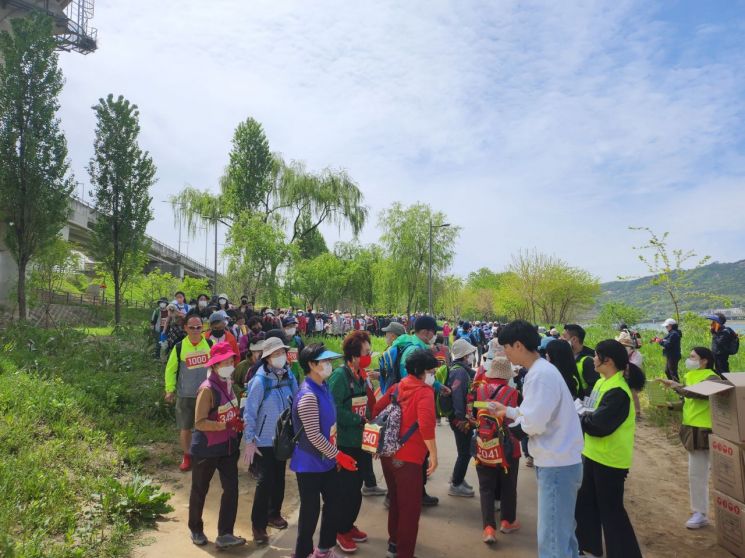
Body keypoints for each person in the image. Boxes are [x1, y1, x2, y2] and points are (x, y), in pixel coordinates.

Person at [489, 320, 584, 558]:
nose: (505, 353)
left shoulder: (540, 376)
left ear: (518, 345)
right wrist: (507, 411)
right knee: (563, 534)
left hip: (556, 465)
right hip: (561, 462)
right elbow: (533, 413)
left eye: (506, 347)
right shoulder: (541, 371)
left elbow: (533, 424)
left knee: (552, 539)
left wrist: (512, 427)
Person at [575, 339, 643, 558]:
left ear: (608, 360)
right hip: (593, 454)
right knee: (587, 504)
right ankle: (589, 548)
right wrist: (583, 414)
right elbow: (589, 409)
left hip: (611, 461)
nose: (593, 359)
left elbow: (597, 425)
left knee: (611, 513)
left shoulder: (618, 392)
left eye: (596, 355)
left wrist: (579, 418)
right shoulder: (602, 382)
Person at [291, 344, 355, 558]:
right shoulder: (308, 395)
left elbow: (330, 429)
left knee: (334, 503)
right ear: (311, 365)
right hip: (309, 463)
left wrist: (334, 455)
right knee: (310, 512)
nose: (330, 365)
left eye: (330, 361)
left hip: (327, 459)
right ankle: (303, 553)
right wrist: (339, 455)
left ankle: (324, 549)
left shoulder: (324, 387)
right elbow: (313, 436)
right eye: (325, 362)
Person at [373, 349, 439, 558]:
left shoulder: (396, 387)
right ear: (420, 371)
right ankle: (404, 553)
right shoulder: (424, 392)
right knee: (410, 509)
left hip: (388, 455)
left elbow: (375, 410)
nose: (433, 375)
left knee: (396, 501)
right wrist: (434, 456)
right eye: (431, 371)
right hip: (409, 459)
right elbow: (427, 426)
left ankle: (394, 545)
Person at [188, 341, 246, 550]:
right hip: (207, 448)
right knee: (200, 489)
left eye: (231, 360)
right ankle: (195, 528)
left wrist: (238, 421)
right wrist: (225, 424)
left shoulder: (230, 384)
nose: (229, 364)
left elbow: (229, 411)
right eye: (224, 362)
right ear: (214, 365)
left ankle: (225, 533)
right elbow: (199, 422)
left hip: (228, 447)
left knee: (231, 489)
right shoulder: (207, 389)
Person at [242, 336, 299, 545]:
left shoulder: (288, 375)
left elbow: (297, 400)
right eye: (276, 354)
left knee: (279, 478)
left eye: (282, 352)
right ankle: (258, 525)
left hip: (283, 438)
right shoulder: (259, 381)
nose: (280, 357)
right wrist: (250, 441)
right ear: (267, 358)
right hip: (263, 439)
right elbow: (250, 413)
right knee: (265, 482)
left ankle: (274, 514)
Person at [659, 346, 719, 530]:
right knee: (696, 474)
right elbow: (687, 401)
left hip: (709, 430)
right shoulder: (689, 378)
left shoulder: (714, 378)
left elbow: (697, 394)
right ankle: (699, 512)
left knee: (721, 475)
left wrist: (675, 386)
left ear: (704, 361)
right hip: (692, 431)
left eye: (693, 357)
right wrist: (669, 405)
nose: (689, 360)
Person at [327, 330, 371, 553]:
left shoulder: (361, 375)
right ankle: (340, 530)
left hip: (360, 441)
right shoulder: (339, 378)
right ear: (353, 355)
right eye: (365, 353)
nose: (368, 357)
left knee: (357, 487)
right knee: (347, 489)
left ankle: (348, 525)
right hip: (345, 443)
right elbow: (332, 409)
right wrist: (357, 419)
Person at [473, 356, 522, 544]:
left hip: (484, 444)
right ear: (507, 375)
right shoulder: (512, 393)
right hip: (508, 446)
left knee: (486, 487)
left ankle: (488, 528)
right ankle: (507, 522)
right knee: (509, 485)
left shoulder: (480, 390)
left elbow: (476, 414)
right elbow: (517, 419)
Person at [164, 314, 214, 472]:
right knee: (185, 427)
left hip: (207, 395)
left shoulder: (210, 344)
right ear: (185, 328)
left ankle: (205, 454)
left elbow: (218, 366)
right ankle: (187, 456)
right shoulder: (179, 347)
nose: (195, 330)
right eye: (191, 327)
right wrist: (169, 389)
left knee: (207, 426)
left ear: (203, 327)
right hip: (185, 394)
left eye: (198, 327)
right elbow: (171, 370)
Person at [447, 338, 478, 498]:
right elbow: (458, 397)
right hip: (460, 419)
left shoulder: (458, 368)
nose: (473, 355)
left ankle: (457, 478)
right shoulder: (460, 372)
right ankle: (456, 483)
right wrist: (461, 418)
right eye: (471, 353)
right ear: (465, 355)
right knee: (464, 452)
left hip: (458, 418)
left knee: (464, 451)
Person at [562, 324, 599, 398]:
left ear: (574, 339)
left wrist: (577, 396)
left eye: (564, 337)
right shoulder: (563, 355)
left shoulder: (589, 360)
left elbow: (594, 388)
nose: (560, 339)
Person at [617, 331, 643, 416]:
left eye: (624, 346)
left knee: (633, 393)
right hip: (625, 375)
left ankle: (637, 411)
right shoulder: (623, 354)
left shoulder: (637, 354)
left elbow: (635, 366)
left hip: (633, 376)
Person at [284, 316, 306, 384]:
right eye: (289, 326)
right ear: (283, 327)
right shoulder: (280, 341)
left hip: (295, 374)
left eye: (293, 326)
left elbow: (304, 356)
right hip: (283, 377)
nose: (292, 328)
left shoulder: (297, 340)